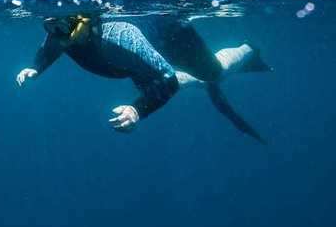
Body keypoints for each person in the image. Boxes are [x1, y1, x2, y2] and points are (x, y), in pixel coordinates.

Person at [16, 15, 271, 142]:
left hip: (172, 35)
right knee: (157, 79)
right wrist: (36, 67)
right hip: (136, 64)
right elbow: (51, 46)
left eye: (64, 28)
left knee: (215, 73)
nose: (57, 34)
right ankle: (202, 82)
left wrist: (137, 110)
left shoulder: (118, 38)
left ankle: (250, 49)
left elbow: (168, 81)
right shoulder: (63, 35)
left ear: (85, 22)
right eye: (51, 28)